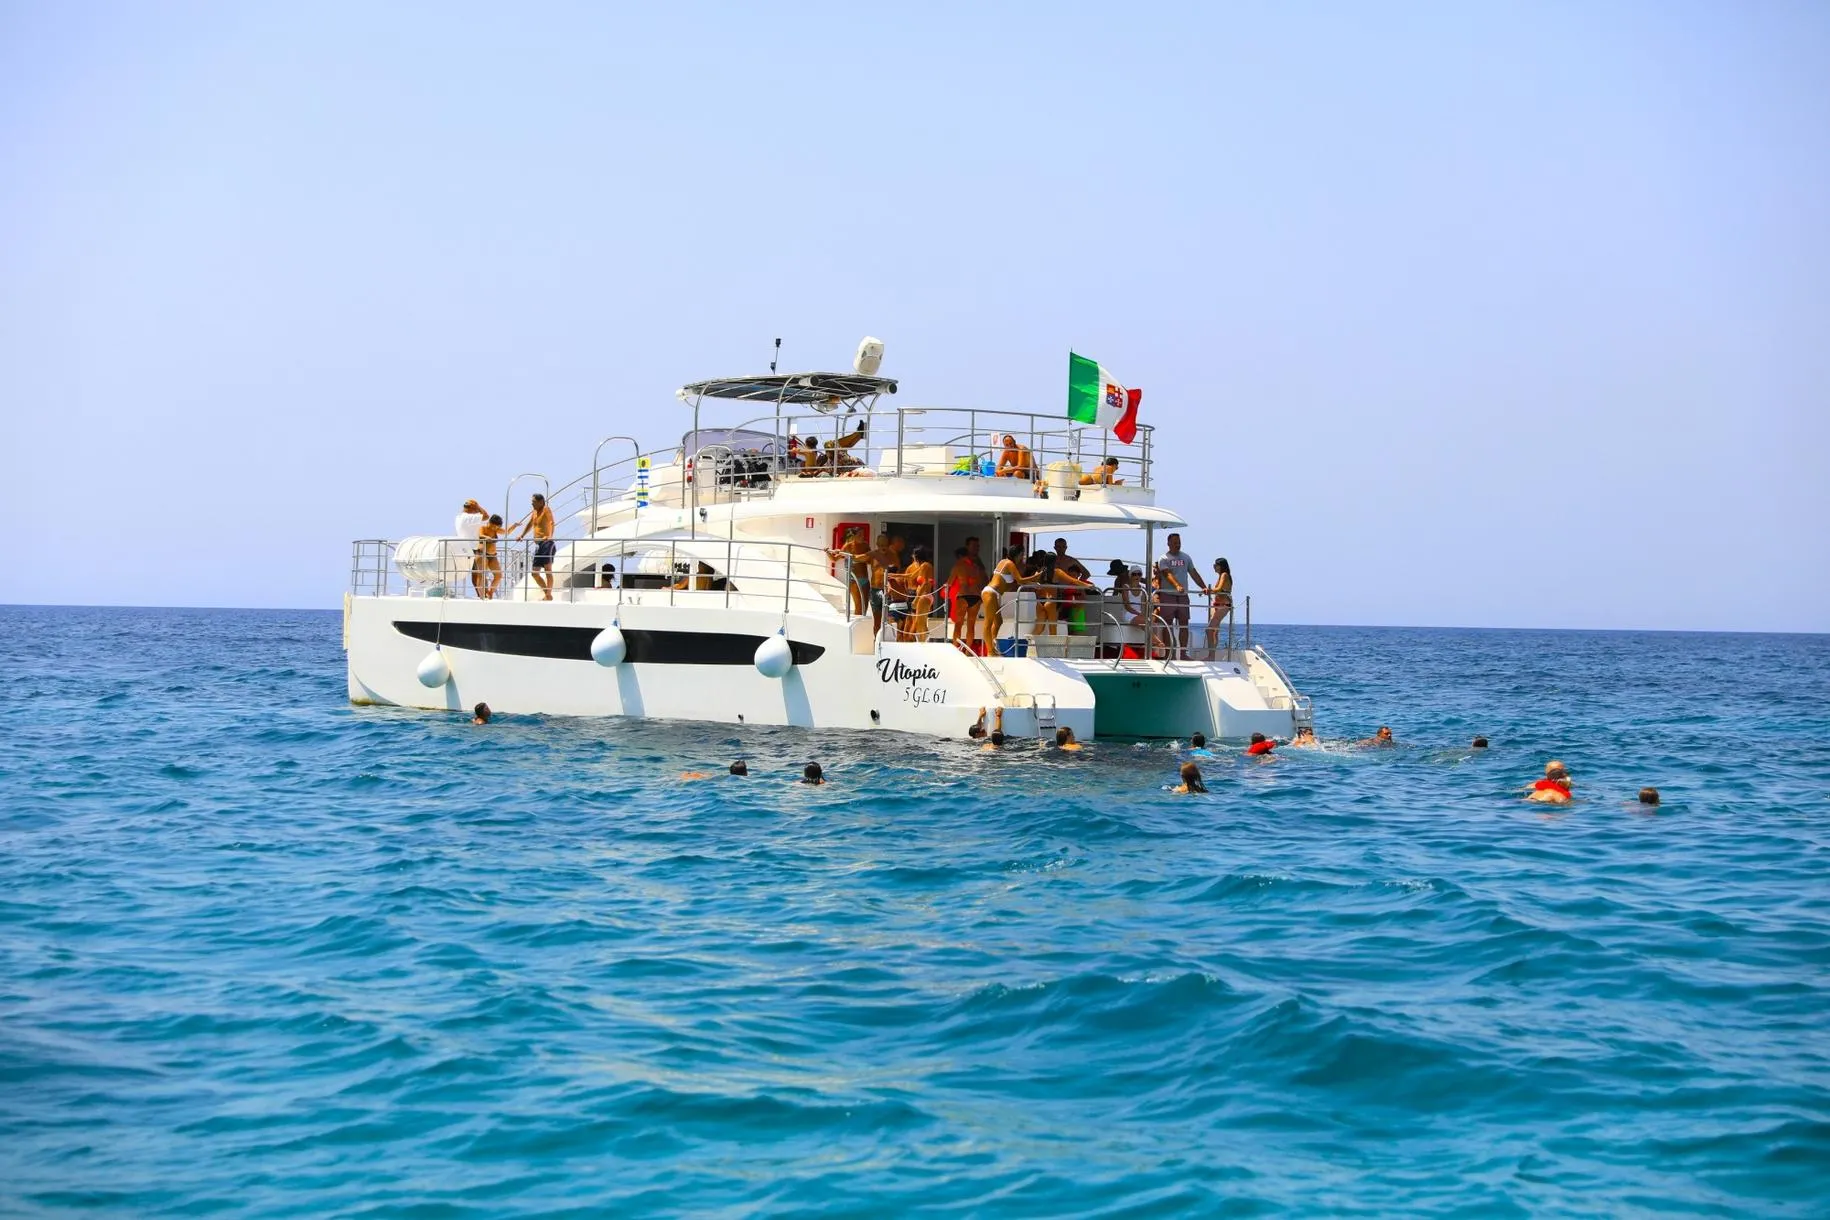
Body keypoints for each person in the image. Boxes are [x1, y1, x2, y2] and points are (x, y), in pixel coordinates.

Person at [1153, 533, 1208, 658]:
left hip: (1183, 596)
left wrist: (1203, 587)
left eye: (1179, 542)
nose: (1177, 544)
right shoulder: (1163, 558)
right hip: (1168, 595)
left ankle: (1183, 654)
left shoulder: (1186, 557)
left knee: (1184, 624)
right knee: (1168, 625)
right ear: (1168, 543)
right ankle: (1169, 654)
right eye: (1174, 542)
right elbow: (1167, 574)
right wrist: (1177, 585)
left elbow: (1193, 573)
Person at [979, 544, 1040, 650]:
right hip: (990, 592)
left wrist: (1033, 583)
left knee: (999, 621)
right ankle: (990, 650)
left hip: (993, 593)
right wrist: (1035, 577)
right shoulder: (1009, 563)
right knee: (988, 623)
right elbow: (1020, 580)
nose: (1022, 558)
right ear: (1018, 554)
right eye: (1022, 555)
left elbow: (1015, 582)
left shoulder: (1004, 562)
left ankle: (993, 645)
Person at [515, 492, 557, 601]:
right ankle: (547, 594)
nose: (532, 504)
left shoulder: (546, 509)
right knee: (534, 573)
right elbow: (530, 524)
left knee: (548, 570)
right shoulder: (534, 512)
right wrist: (522, 535)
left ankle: (548, 594)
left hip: (547, 543)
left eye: (533, 502)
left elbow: (552, 522)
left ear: (541, 502)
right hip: (538, 545)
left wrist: (550, 536)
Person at [829, 527, 870, 617]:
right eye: (859, 535)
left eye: (863, 534)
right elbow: (834, 559)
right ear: (854, 536)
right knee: (858, 605)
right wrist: (828, 552)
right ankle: (857, 622)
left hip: (865, 579)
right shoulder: (848, 546)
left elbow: (870, 560)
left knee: (865, 606)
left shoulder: (866, 546)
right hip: (853, 580)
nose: (862, 536)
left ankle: (861, 621)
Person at [900, 546, 935, 641]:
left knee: (919, 624)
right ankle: (924, 642)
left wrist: (916, 599)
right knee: (921, 623)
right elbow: (910, 576)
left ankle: (923, 643)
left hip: (923, 596)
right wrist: (892, 575)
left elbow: (925, 583)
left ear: (916, 556)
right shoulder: (924, 566)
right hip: (924, 596)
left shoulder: (925, 565)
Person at [456, 499, 488, 596]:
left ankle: (480, 594)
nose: (476, 512)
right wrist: (478, 506)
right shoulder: (469, 518)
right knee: (479, 573)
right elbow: (486, 516)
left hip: (464, 548)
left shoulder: (459, 517)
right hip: (472, 549)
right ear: (471, 508)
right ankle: (482, 595)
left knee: (476, 573)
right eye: (475, 509)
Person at [1203, 558, 1234, 657]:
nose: (1214, 567)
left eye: (1216, 565)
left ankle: (1211, 656)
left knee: (1209, 630)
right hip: (1217, 605)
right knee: (1214, 631)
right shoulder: (1221, 576)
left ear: (1221, 566)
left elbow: (1219, 588)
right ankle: (1212, 655)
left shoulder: (1224, 575)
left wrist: (1209, 590)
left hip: (1223, 605)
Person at [477, 514, 506, 598]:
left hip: (493, 555)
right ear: (490, 522)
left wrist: (514, 526)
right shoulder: (483, 528)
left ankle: (490, 592)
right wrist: (487, 537)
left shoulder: (496, 529)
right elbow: (480, 535)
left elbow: (506, 531)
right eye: (494, 526)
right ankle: (482, 596)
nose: (495, 528)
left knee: (498, 575)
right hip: (482, 554)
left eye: (497, 527)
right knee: (481, 575)